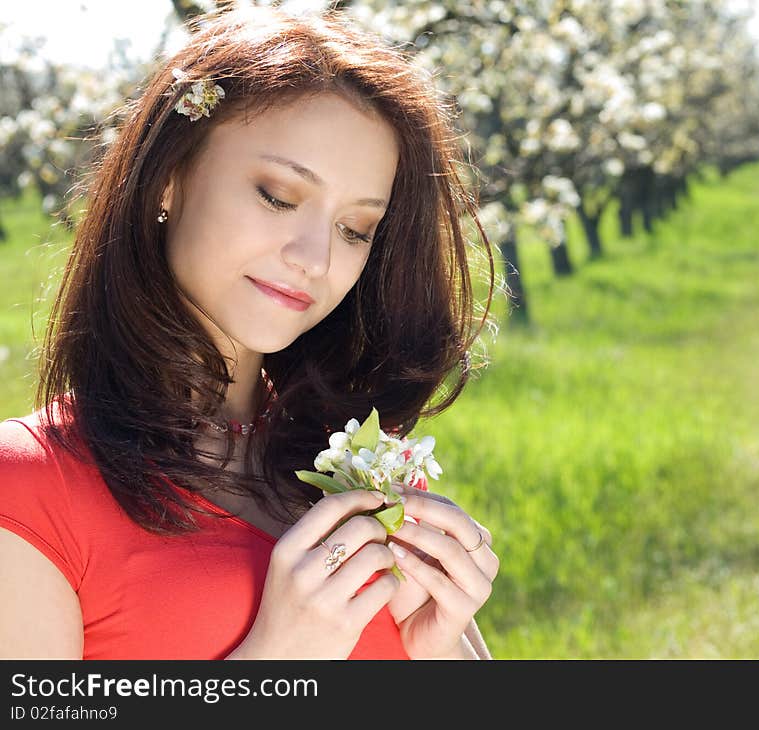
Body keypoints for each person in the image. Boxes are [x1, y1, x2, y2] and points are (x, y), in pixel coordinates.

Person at [0, 5, 499, 660]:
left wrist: (439, 652)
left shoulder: (363, 474)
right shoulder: (30, 489)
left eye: (356, 229)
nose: (315, 258)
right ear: (169, 177)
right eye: (277, 195)